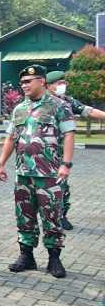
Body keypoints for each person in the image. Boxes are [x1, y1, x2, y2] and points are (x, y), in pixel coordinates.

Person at [0, 64, 74, 278]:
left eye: (28, 82)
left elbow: (68, 134)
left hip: (49, 175)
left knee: (52, 216)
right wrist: (1, 163)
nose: (24, 86)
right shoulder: (19, 109)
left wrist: (66, 164)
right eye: (22, 83)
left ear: (42, 82)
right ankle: (26, 256)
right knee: (24, 215)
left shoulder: (59, 106)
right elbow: (11, 138)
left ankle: (54, 259)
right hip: (23, 174)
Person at [45, 70, 105, 231]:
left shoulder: (67, 101)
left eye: (64, 83)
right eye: (59, 83)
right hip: (40, 152)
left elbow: (88, 110)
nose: (63, 86)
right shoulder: (39, 101)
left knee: (61, 184)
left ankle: (61, 216)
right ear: (49, 86)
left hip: (59, 152)